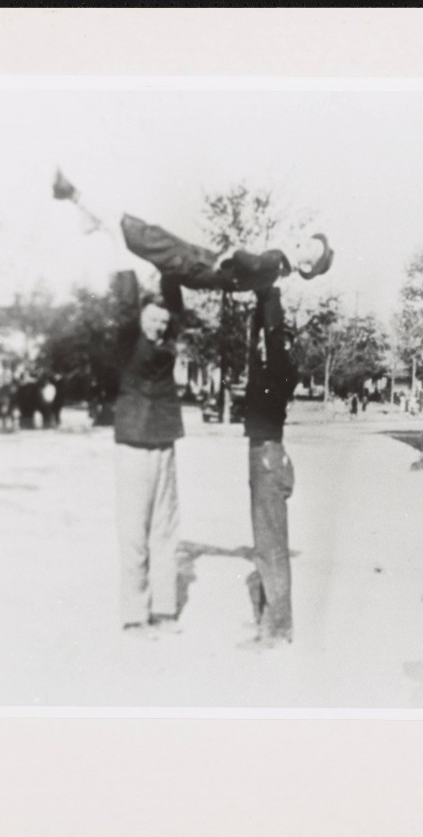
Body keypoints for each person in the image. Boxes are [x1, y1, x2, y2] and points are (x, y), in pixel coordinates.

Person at [121, 214, 333, 648]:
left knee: (270, 546)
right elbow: (266, 326)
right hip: (265, 450)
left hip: (269, 453)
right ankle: (269, 622)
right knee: (265, 543)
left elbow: (272, 334)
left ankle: (277, 629)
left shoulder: (280, 362)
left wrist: (265, 286)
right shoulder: (273, 359)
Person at [111, 273, 185, 639]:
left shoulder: (167, 344)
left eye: (162, 320)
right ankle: (135, 615)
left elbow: (177, 310)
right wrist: (126, 265)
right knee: (134, 531)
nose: (159, 324)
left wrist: (169, 267)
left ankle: (165, 609)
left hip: (164, 440)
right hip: (134, 443)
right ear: (140, 319)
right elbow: (125, 307)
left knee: (165, 530)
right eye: (152, 318)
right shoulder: (129, 342)